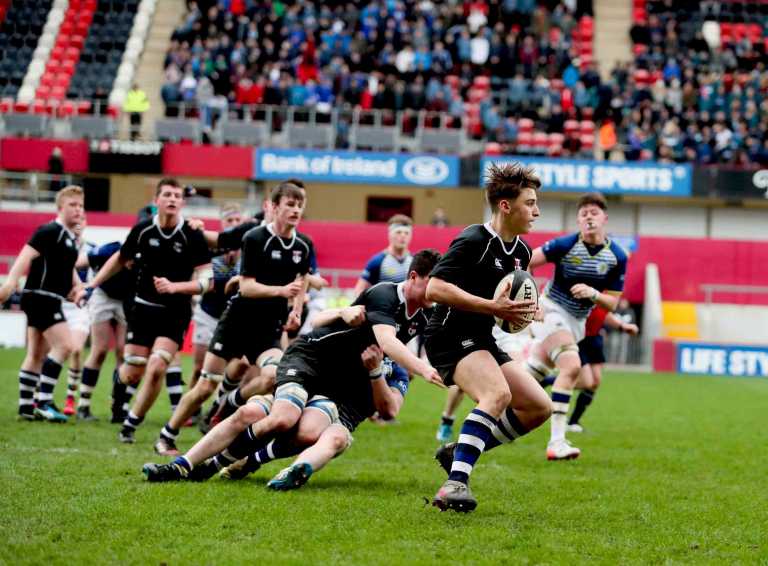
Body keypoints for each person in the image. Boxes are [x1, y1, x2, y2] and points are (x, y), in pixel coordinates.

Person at [141, 249, 444, 485]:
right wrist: (425, 369)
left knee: (307, 430)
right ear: (415, 276)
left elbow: (433, 345)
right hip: (309, 357)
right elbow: (385, 341)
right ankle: (184, 465)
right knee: (279, 417)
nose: (438, 290)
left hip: (336, 380)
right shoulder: (386, 294)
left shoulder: (424, 315)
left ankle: (235, 459)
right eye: (434, 282)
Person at [424, 162, 552, 512]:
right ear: (505, 206)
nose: (536, 211)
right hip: (448, 334)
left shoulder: (522, 253)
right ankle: (454, 484)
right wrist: (490, 305)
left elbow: (506, 305)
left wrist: (525, 312)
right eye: (530, 203)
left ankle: (458, 452)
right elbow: (434, 288)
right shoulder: (473, 239)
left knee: (538, 407)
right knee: (497, 394)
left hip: (481, 338)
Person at [152, 182, 314, 455]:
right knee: (205, 386)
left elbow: (303, 278)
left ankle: (229, 402)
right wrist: (282, 291)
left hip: (268, 328)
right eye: (289, 204)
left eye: (299, 205)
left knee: (274, 376)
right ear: (274, 208)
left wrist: (296, 309)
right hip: (236, 323)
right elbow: (247, 286)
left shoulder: (303, 245)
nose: (295, 210)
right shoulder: (254, 238)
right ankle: (167, 435)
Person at [75, 178, 211, 444]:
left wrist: (177, 287)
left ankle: (130, 424)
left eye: (177, 196)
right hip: (141, 311)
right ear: (157, 200)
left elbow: (208, 279)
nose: (173, 199)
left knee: (159, 364)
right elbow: (120, 258)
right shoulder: (143, 231)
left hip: (175, 311)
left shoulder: (193, 235)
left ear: (182, 203)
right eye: (167, 195)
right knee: (132, 372)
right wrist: (92, 284)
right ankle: (119, 386)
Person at [525, 192, 628, 460]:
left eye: (594, 213)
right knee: (571, 367)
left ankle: (491, 403)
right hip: (551, 310)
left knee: (532, 373)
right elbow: (525, 262)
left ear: (604, 218)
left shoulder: (617, 256)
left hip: (577, 322)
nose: (589, 217)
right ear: (578, 220)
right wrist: (532, 300)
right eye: (583, 214)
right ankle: (556, 442)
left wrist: (593, 294)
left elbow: (612, 304)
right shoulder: (565, 245)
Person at [0, 186, 85, 422]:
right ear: (60, 207)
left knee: (37, 353)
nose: (78, 209)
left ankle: (26, 408)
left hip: (46, 298)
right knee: (66, 346)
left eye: (80, 205)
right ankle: (45, 402)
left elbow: (68, 271)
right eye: (73, 205)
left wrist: (78, 288)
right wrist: (10, 282)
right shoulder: (49, 230)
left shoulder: (69, 238)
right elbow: (26, 255)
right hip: (41, 297)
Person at [435, 325, 536, 442]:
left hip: (504, 334)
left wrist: (535, 309)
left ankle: (500, 427)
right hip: (476, 333)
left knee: (517, 377)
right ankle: (447, 420)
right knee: (460, 387)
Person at [75, 240, 134, 421]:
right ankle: (83, 406)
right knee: (99, 350)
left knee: (123, 352)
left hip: (126, 298)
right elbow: (77, 262)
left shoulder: (148, 255)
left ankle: (119, 406)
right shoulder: (108, 249)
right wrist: (80, 286)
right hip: (102, 294)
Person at [565, 306, 639, 433]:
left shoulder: (607, 293)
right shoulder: (588, 289)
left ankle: (573, 422)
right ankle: (550, 381)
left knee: (596, 382)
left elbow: (604, 313)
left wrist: (622, 326)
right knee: (587, 382)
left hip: (594, 338)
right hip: (580, 338)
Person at [61, 220, 96, 416]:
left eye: (82, 220)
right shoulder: (57, 243)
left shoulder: (90, 249)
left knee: (75, 349)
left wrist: (84, 290)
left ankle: (70, 397)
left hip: (80, 307)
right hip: (58, 303)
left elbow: (95, 276)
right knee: (49, 352)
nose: (78, 224)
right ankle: (40, 396)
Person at [352, 214, 414, 297]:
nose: (403, 236)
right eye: (398, 232)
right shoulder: (378, 261)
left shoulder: (415, 261)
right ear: (390, 234)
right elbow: (359, 290)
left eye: (406, 233)